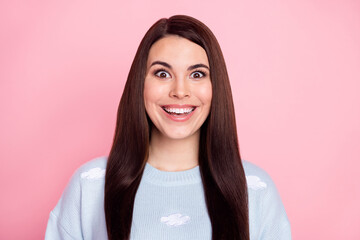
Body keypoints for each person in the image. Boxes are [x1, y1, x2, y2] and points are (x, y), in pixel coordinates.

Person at [45, 15, 291, 240]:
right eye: (162, 74)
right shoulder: (88, 187)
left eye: (197, 74)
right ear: (140, 84)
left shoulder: (256, 190)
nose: (180, 91)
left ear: (216, 87)